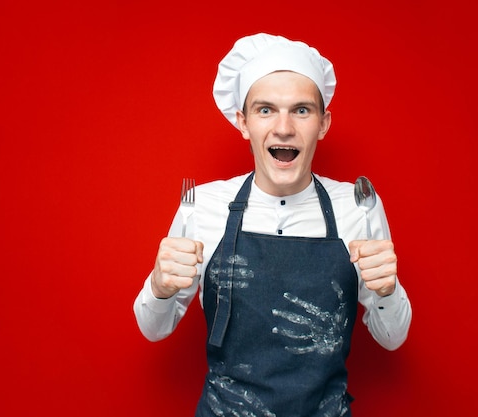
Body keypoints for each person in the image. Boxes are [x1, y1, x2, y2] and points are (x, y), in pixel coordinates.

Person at [133, 33, 412, 416]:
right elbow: (153, 329)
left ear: (323, 124)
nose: (283, 128)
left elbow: (393, 338)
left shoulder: (358, 206)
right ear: (243, 123)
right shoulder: (204, 207)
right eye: (265, 110)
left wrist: (387, 291)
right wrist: (160, 286)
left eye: (301, 110)